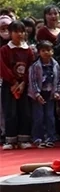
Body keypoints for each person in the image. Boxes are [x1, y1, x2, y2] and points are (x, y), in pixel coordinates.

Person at [1, 21, 34, 149]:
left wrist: (23, 82)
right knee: (10, 112)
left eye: (22, 31)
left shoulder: (28, 50)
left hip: (24, 86)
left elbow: (31, 68)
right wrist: (14, 82)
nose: (19, 34)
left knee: (25, 111)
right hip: (9, 85)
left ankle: (24, 138)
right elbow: (3, 67)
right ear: (10, 33)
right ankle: (10, 139)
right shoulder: (5, 50)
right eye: (16, 31)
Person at [28, 40, 60, 148]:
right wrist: (37, 94)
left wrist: (56, 92)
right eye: (43, 50)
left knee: (50, 116)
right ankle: (38, 137)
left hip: (50, 93)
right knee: (38, 117)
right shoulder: (35, 66)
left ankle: (51, 137)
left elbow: (58, 79)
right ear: (39, 52)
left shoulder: (55, 65)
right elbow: (32, 81)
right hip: (38, 94)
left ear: (52, 51)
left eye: (48, 50)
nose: (46, 52)